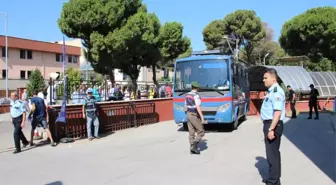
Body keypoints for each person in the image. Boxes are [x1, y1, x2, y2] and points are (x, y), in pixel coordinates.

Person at [260, 68, 285, 185]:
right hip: (270, 124)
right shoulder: (271, 91)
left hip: (272, 125)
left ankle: (273, 181)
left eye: (266, 78)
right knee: (273, 154)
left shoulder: (276, 92)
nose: (263, 80)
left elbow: (277, 113)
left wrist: (271, 129)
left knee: (272, 155)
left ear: (273, 79)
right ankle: (274, 179)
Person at [185, 81, 205, 155]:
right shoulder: (196, 95)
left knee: (191, 132)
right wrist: (202, 117)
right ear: (197, 88)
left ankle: (191, 149)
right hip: (194, 114)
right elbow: (198, 107)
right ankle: (194, 146)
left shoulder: (187, 95)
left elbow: (186, 105)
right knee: (201, 131)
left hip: (188, 114)